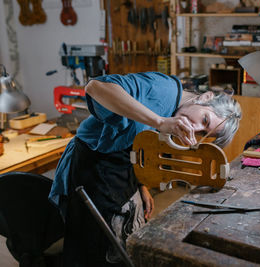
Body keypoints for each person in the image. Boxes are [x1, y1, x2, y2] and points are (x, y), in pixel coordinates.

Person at [48, 71, 241, 266]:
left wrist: (141, 184)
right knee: (96, 248)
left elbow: (138, 138)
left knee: (126, 238)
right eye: (205, 119)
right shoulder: (162, 89)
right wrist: (160, 122)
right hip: (94, 165)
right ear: (205, 97)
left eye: (203, 131)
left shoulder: (176, 111)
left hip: (121, 165)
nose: (195, 128)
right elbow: (95, 87)